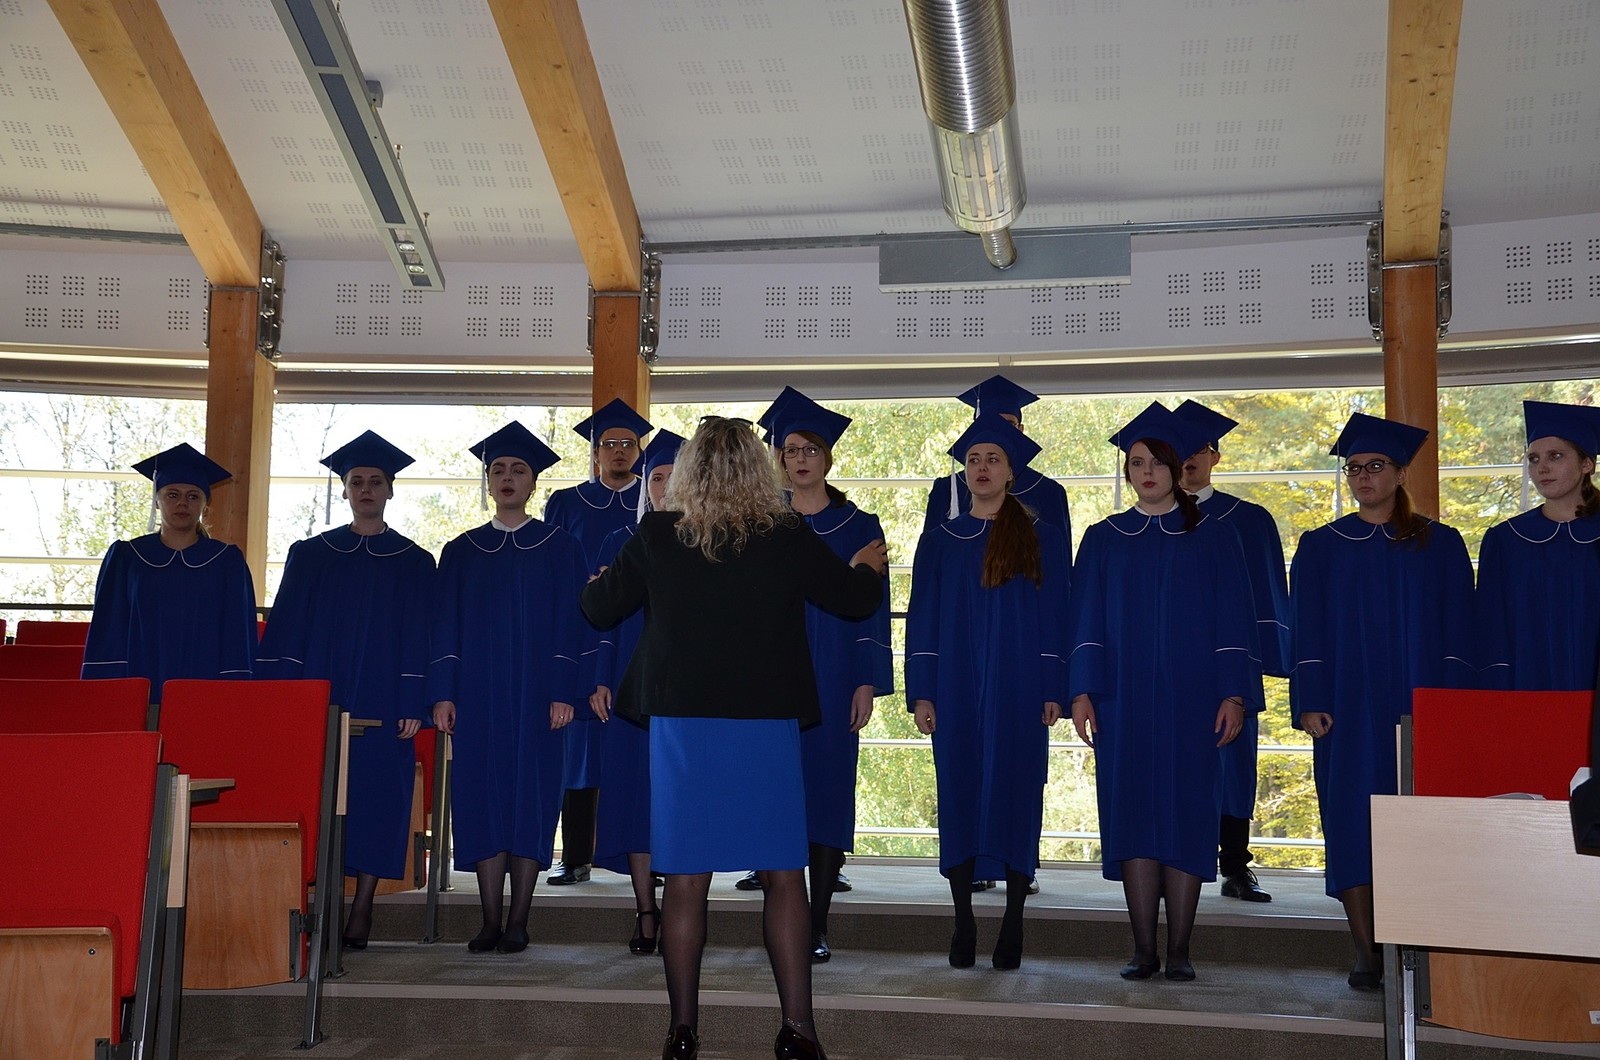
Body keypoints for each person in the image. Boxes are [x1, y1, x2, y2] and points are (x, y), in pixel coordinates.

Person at [581, 416, 886, 1060]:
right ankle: (798, 1029)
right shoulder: (786, 533)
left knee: (686, 880)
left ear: (689, 472)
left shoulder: (658, 533)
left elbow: (599, 609)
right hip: (765, 724)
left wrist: (595, 583)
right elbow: (854, 600)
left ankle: (682, 1031)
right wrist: (865, 566)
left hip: (684, 728)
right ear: (758, 470)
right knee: (784, 878)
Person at [1068, 402, 1259, 982]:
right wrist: (1082, 691)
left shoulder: (1215, 537)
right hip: (1122, 701)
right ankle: (1143, 948)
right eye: (1136, 463)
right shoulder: (1103, 539)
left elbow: (1235, 622)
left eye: (1156, 462)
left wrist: (1234, 694)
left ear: (1178, 468)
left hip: (1193, 700)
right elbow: (1085, 622)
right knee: (1133, 815)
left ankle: (1180, 949)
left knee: (1187, 813)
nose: (1146, 472)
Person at [1290, 412, 1475, 990]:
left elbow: (1459, 631)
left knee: (1420, 822)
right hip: (1346, 708)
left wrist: (1451, 709)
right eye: (1354, 468)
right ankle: (1366, 950)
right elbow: (1307, 630)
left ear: (1399, 474)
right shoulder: (1321, 546)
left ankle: (1419, 948)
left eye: (1375, 466)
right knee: (1351, 819)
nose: (1364, 477)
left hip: (1420, 705)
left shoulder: (1440, 544)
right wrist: (1310, 699)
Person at [256, 431, 436, 949]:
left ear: (390, 490)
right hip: (320, 693)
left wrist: (412, 701)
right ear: (345, 489)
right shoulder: (312, 555)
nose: (366, 489)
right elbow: (287, 628)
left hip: (385, 698)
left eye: (375, 481)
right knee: (318, 794)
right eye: (357, 481)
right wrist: (285, 701)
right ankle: (325, 899)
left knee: (378, 797)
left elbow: (421, 635)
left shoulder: (413, 561)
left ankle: (364, 904)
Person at [906, 412, 1069, 971]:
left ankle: (1014, 922)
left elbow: (1057, 616)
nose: (981, 468)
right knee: (959, 793)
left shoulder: (1040, 537)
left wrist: (1053, 686)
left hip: (1020, 688)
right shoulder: (941, 541)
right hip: (955, 687)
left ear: (1011, 471)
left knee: (1017, 793)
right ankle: (963, 920)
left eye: (993, 459)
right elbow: (922, 621)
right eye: (973, 459)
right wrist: (922, 692)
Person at [429, 422, 587, 954]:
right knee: (482, 798)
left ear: (534, 482)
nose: (507, 477)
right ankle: (489, 918)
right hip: (478, 697)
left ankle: (520, 918)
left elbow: (572, 622)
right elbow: (445, 626)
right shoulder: (462, 551)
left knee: (532, 797)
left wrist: (564, 690)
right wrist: (444, 692)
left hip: (540, 697)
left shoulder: (560, 547)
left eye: (519, 470)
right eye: (498, 469)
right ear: (488, 481)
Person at [771, 393, 893, 963]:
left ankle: (816, 923)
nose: (800, 460)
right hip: (774, 676)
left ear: (827, 458)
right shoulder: (765, 524)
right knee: (778, 796)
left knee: (827, 792)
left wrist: (865, 680)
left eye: (811, 450)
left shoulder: (859, 525)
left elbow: (872, 608)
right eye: (791, 450)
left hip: (838, 671)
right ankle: (782, 920)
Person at [1173, 399, 1290, 904]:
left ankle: (1236, 866)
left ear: (1215, 456)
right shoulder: (1144, 523)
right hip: (1168, 668)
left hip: (1229, 668)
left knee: (1234, 766)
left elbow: (1267, 594)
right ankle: (1174, 862)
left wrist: (1256, 665)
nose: (1188, 458)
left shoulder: (1248, 519)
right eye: (1178, 449)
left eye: (1199, 448)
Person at [543, 398, 653, 887]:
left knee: (636, 751)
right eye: (609, 444)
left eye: (628, 443)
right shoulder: (567, 504)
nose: (618, 451)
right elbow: (549, 567)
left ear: (640, 451)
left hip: (636, 638)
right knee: (580, 751)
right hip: (579, 631)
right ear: (595, 452)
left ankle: (647, 855)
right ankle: (575, 855)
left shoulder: (651, 507)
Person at [588, 428, 686, 955]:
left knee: (679, 798)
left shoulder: (704, 543)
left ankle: (683, 912)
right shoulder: (619, 541)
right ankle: (646, 911)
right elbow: (604, 619)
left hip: (687, 691)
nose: (665, 487)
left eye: (674, 477)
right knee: (633, 797)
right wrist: (601, 677)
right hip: (630, 688)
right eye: (657, 478)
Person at [83, 442, 257, 700]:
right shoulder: (127, 557)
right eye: (172, 495)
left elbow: (237, 633)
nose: (182, 503)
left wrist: (233, 691)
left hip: (206, 683)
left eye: (193, 496)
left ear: (205, 504)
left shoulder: (226, 561)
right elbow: (109, 630)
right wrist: (111, 693)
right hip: (139, 683)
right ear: (157, 501)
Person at [1476, 400, 1600, 690]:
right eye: (1533, 459)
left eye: (1555, 456)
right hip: (1528, 688)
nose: (1542, 467)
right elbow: (1491, 629)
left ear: (1587, 464)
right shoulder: (1506, 541)